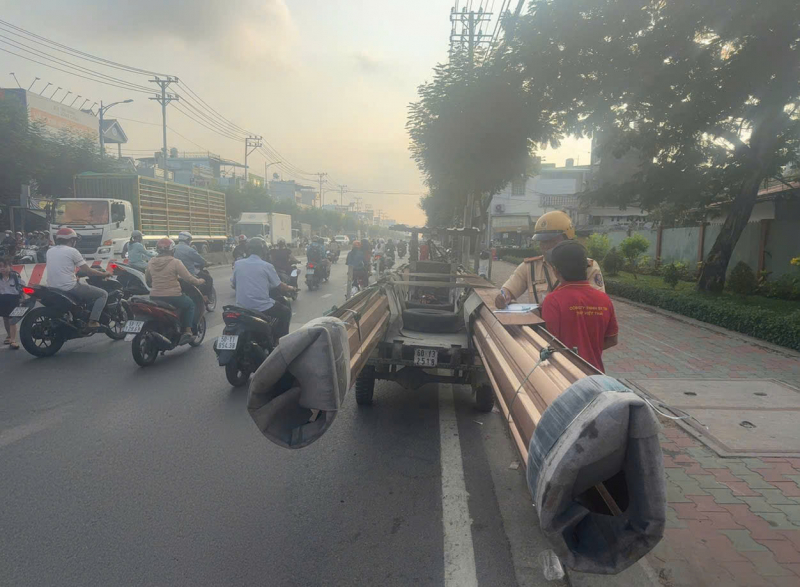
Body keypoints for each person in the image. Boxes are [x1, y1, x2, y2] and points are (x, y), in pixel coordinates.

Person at [496, 210, 605, 309]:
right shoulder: (530, 267)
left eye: (551, 241)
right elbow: (508, 289)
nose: (545, 247)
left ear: (567, 239)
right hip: (539, 328)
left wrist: (553, 304)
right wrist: (504, 297)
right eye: (542, 242)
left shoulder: (587, 266)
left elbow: (597, 303)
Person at [540, 241, 618, 372]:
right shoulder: (604, 300)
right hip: (596, 374)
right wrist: (589, 350)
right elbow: (612, 340)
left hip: (565, 376)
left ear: (555, 270)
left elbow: (550, 344)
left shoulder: (553, 301)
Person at [46, 228, 113, 330]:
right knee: (103, 294)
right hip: (69, 287)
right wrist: (103, 274)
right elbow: (88, 271)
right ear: (72, 240)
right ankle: (93, 321)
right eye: (74, 240)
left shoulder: (49, 251)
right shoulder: (72, 251)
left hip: (52, 287)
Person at [231, 237, 295, 339]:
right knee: (286, 312)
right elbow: (280, 286)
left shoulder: (238, 264)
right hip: (261, 307)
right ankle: (281, 342)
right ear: (264, 251)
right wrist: (290, 288)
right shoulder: (267, 266)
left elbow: (233, 283)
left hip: (241, 307)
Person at [146, 238, 205, 345]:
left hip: (154, 296)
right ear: (172, 250)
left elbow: (148, 280)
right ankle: (187, 331)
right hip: (173, 296)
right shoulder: (175, 262)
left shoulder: (151, 262)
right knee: (190, 305)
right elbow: (189, 278)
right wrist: (200, 281)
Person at [175, 231, 213, 300]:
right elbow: (200, 260)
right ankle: (207, 296)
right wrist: (206, 263)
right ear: (187, 240)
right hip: (190, 273)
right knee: (208, 278)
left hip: (177, 274)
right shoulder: (190, 250)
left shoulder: (173, 249)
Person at [0, 259, 24, 349]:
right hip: (2, 299)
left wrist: (24, 299)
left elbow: (22, 287)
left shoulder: (15, 277)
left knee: (12, 320)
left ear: (10, 266)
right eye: (0, 267)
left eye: (5, 266)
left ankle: (13, 340)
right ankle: (9, 336)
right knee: (5, 319)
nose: (2, 269)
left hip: (14, 300)